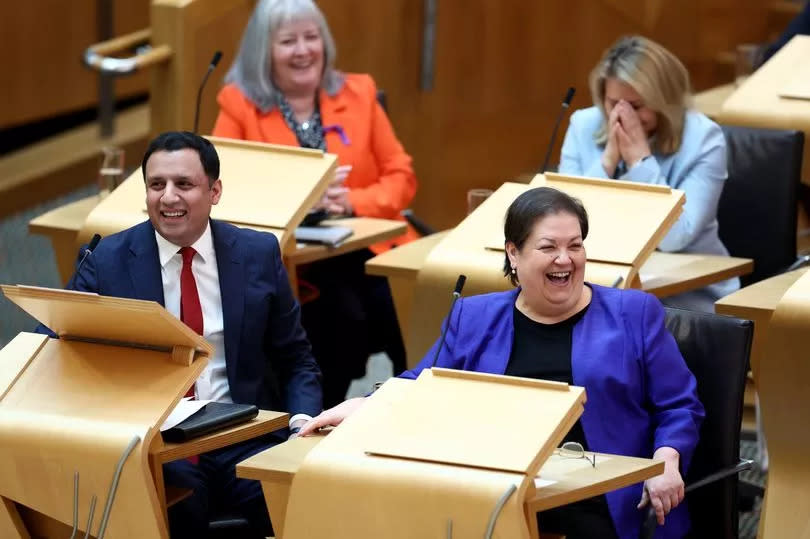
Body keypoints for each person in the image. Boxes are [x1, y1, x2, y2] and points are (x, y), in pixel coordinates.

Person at [300, 187, 705, 539]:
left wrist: (667, 458)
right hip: (499, 485)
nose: (565, 259)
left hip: (603, 496)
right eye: (548, 247)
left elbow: (679, 404)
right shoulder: (473, 317)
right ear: (513, 253)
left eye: (575, 245)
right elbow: (422, 382)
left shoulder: (633, 313)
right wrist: (365, 403)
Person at [48, 131, 322, 538]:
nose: (168, 198)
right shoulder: (106, 261)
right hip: (159, 443)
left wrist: (302, 426)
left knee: (303, 502)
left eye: (184, 184)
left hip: (245, 433)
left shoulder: (257, 254)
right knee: (180, 510)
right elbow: (51, 344)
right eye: (156, 185)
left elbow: (296, 358)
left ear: (214, 191)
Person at [212, 0, 416, 406]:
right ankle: (318, 416)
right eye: (288, 41)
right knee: (343, 318)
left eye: (312, 37)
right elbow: (223, 188)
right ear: (263, 51)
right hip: (296, 257)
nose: (304, 50)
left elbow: (402, 176)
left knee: (410, 311)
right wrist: (300, 200)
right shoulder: (238, 105)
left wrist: (351, 201)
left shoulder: (359, 92)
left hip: (369, 243)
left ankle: (405, 413)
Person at [558, 35, 738, 312]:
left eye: (636, 106)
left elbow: (675, 238)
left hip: (685, 297)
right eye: (612, 102)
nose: (621, 115)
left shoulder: (704, 139)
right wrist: (607, 160)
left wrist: (639, 161)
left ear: (665, 100)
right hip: (599, 286)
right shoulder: (584, 125)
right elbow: (563, 224)